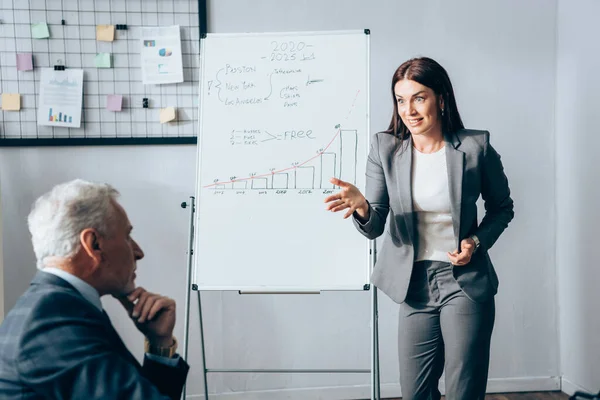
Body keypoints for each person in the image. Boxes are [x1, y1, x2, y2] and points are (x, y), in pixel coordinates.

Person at [324, 57, 514, 400]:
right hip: (412, 285)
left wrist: (475, 241)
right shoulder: (385, 149)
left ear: (440, 99)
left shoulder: (475, 147)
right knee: (415, 393)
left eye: (418, 97)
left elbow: (502, 208)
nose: (408, 110)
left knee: (463, 391)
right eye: (401, 100)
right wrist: (364, 207)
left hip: (464, 283)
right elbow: (374, 226)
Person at [0, 179, 189, 399]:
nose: (138, 252)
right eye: (127, 237)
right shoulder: (52, 321)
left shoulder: (60, 306)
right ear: (94, 245)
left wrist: (159, 344)